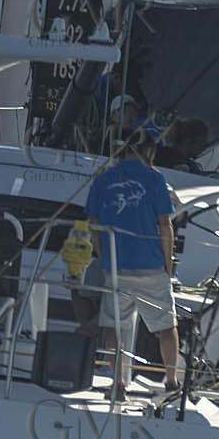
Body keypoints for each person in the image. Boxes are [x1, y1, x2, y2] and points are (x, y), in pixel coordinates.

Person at [80, 123, 182, 400]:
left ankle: (118, 385)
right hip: (151, 266)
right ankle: (172, 383)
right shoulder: (154, 179)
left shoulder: (102, 180)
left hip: (117, 267)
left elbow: (94, 224)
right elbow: (165, 225)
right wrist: (168, 262)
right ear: (147, 149)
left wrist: (104, 258)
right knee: (166, 327)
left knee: (115, 327)